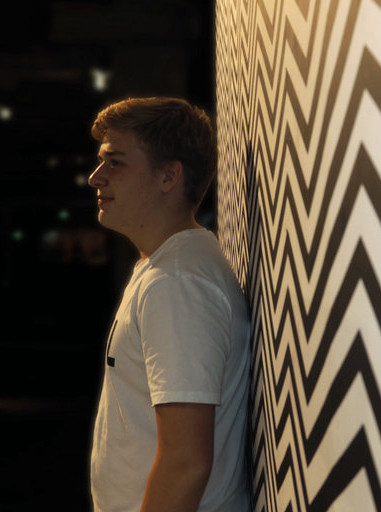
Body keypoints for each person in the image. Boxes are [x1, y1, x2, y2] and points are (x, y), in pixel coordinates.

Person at [87, 97, 251, 512]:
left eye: (115, 163)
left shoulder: (177, 284)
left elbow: (186, 463)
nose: (95, 178)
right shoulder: (167, 268)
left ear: (169, 176)